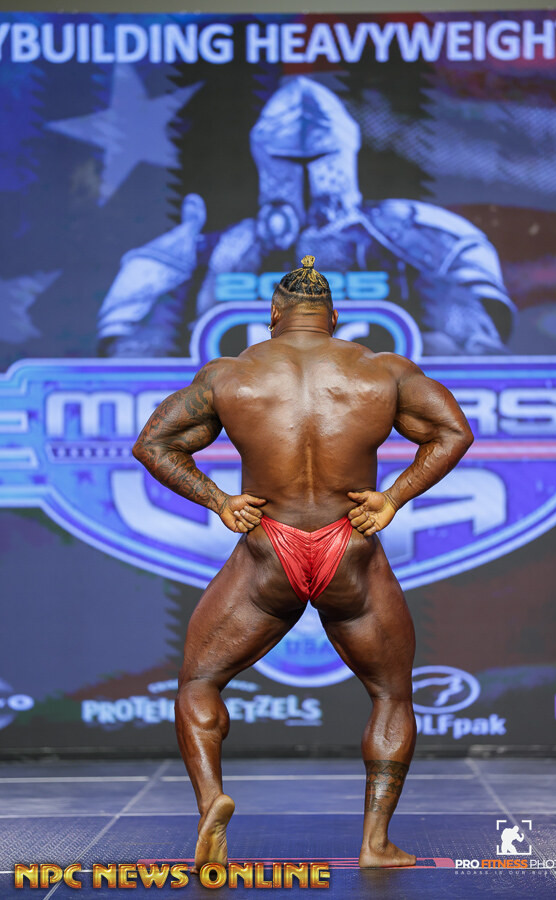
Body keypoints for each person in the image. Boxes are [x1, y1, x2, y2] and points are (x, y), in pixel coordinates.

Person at [132, 255, 473, 870]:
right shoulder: (383, 370)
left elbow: (153, 443)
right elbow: (453, 431)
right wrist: (393, 497)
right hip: (350, 548)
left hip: (270, 548)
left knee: (199, 683)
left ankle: (211, 802)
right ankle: (375, 844)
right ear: (333, 317)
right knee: (391, 694)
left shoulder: (229, 375)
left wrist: (219, 500)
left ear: (273, 314)